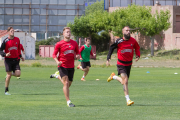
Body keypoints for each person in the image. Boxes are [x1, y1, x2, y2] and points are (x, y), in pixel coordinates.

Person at [106, 26, 140, 106]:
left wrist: (138, 55)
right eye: (126, 30)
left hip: (129, 64)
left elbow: (137, 48)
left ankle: (113, 77)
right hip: (121, 64)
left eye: (129, 30)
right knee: (126, 81)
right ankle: (128, 100)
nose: (128, 32)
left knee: (124, 82)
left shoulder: (133, 41)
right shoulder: (119, 41)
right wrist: (108, 58)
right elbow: (111, 48)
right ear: (123, 32)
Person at [52, 27, 80, 107]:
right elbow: (54, 55)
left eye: (69, 32)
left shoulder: (74, 43)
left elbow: (77, 53)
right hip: (62, 66)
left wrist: (78, 56)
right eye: (67, 32)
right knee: (66, 83)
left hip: (71, 66)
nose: (69, 33)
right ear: (63, 34)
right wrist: (57, 62)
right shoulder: (59, 44)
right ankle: (68, 102)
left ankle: (57, 76)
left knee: (68, 84)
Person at [0, 27, 24, 95]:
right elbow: (0, 50)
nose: (12, 32)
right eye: (11, 31)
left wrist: (21, 56)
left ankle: (9, 74)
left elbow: (19, 49)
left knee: (18, 74)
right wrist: (5, 54)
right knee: (9, 75)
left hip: (16, 60)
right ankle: (6, 91)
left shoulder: (17, 39)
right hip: (8, 60)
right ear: (8, 32)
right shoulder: (5, 41)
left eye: (13, 31)